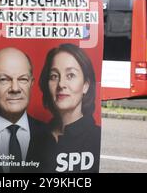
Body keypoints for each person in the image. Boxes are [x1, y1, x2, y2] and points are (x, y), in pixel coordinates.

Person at [0, 47, 52, 173]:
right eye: (4, 79)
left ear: (31, 84)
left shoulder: (51, 135)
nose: (15, 88)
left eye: (23, 79)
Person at [39, 43, 101, 173]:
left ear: (85, 85)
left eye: (70, 75)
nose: (61, 84)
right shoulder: (35, 136)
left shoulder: (97, 138)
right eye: (54, 76)